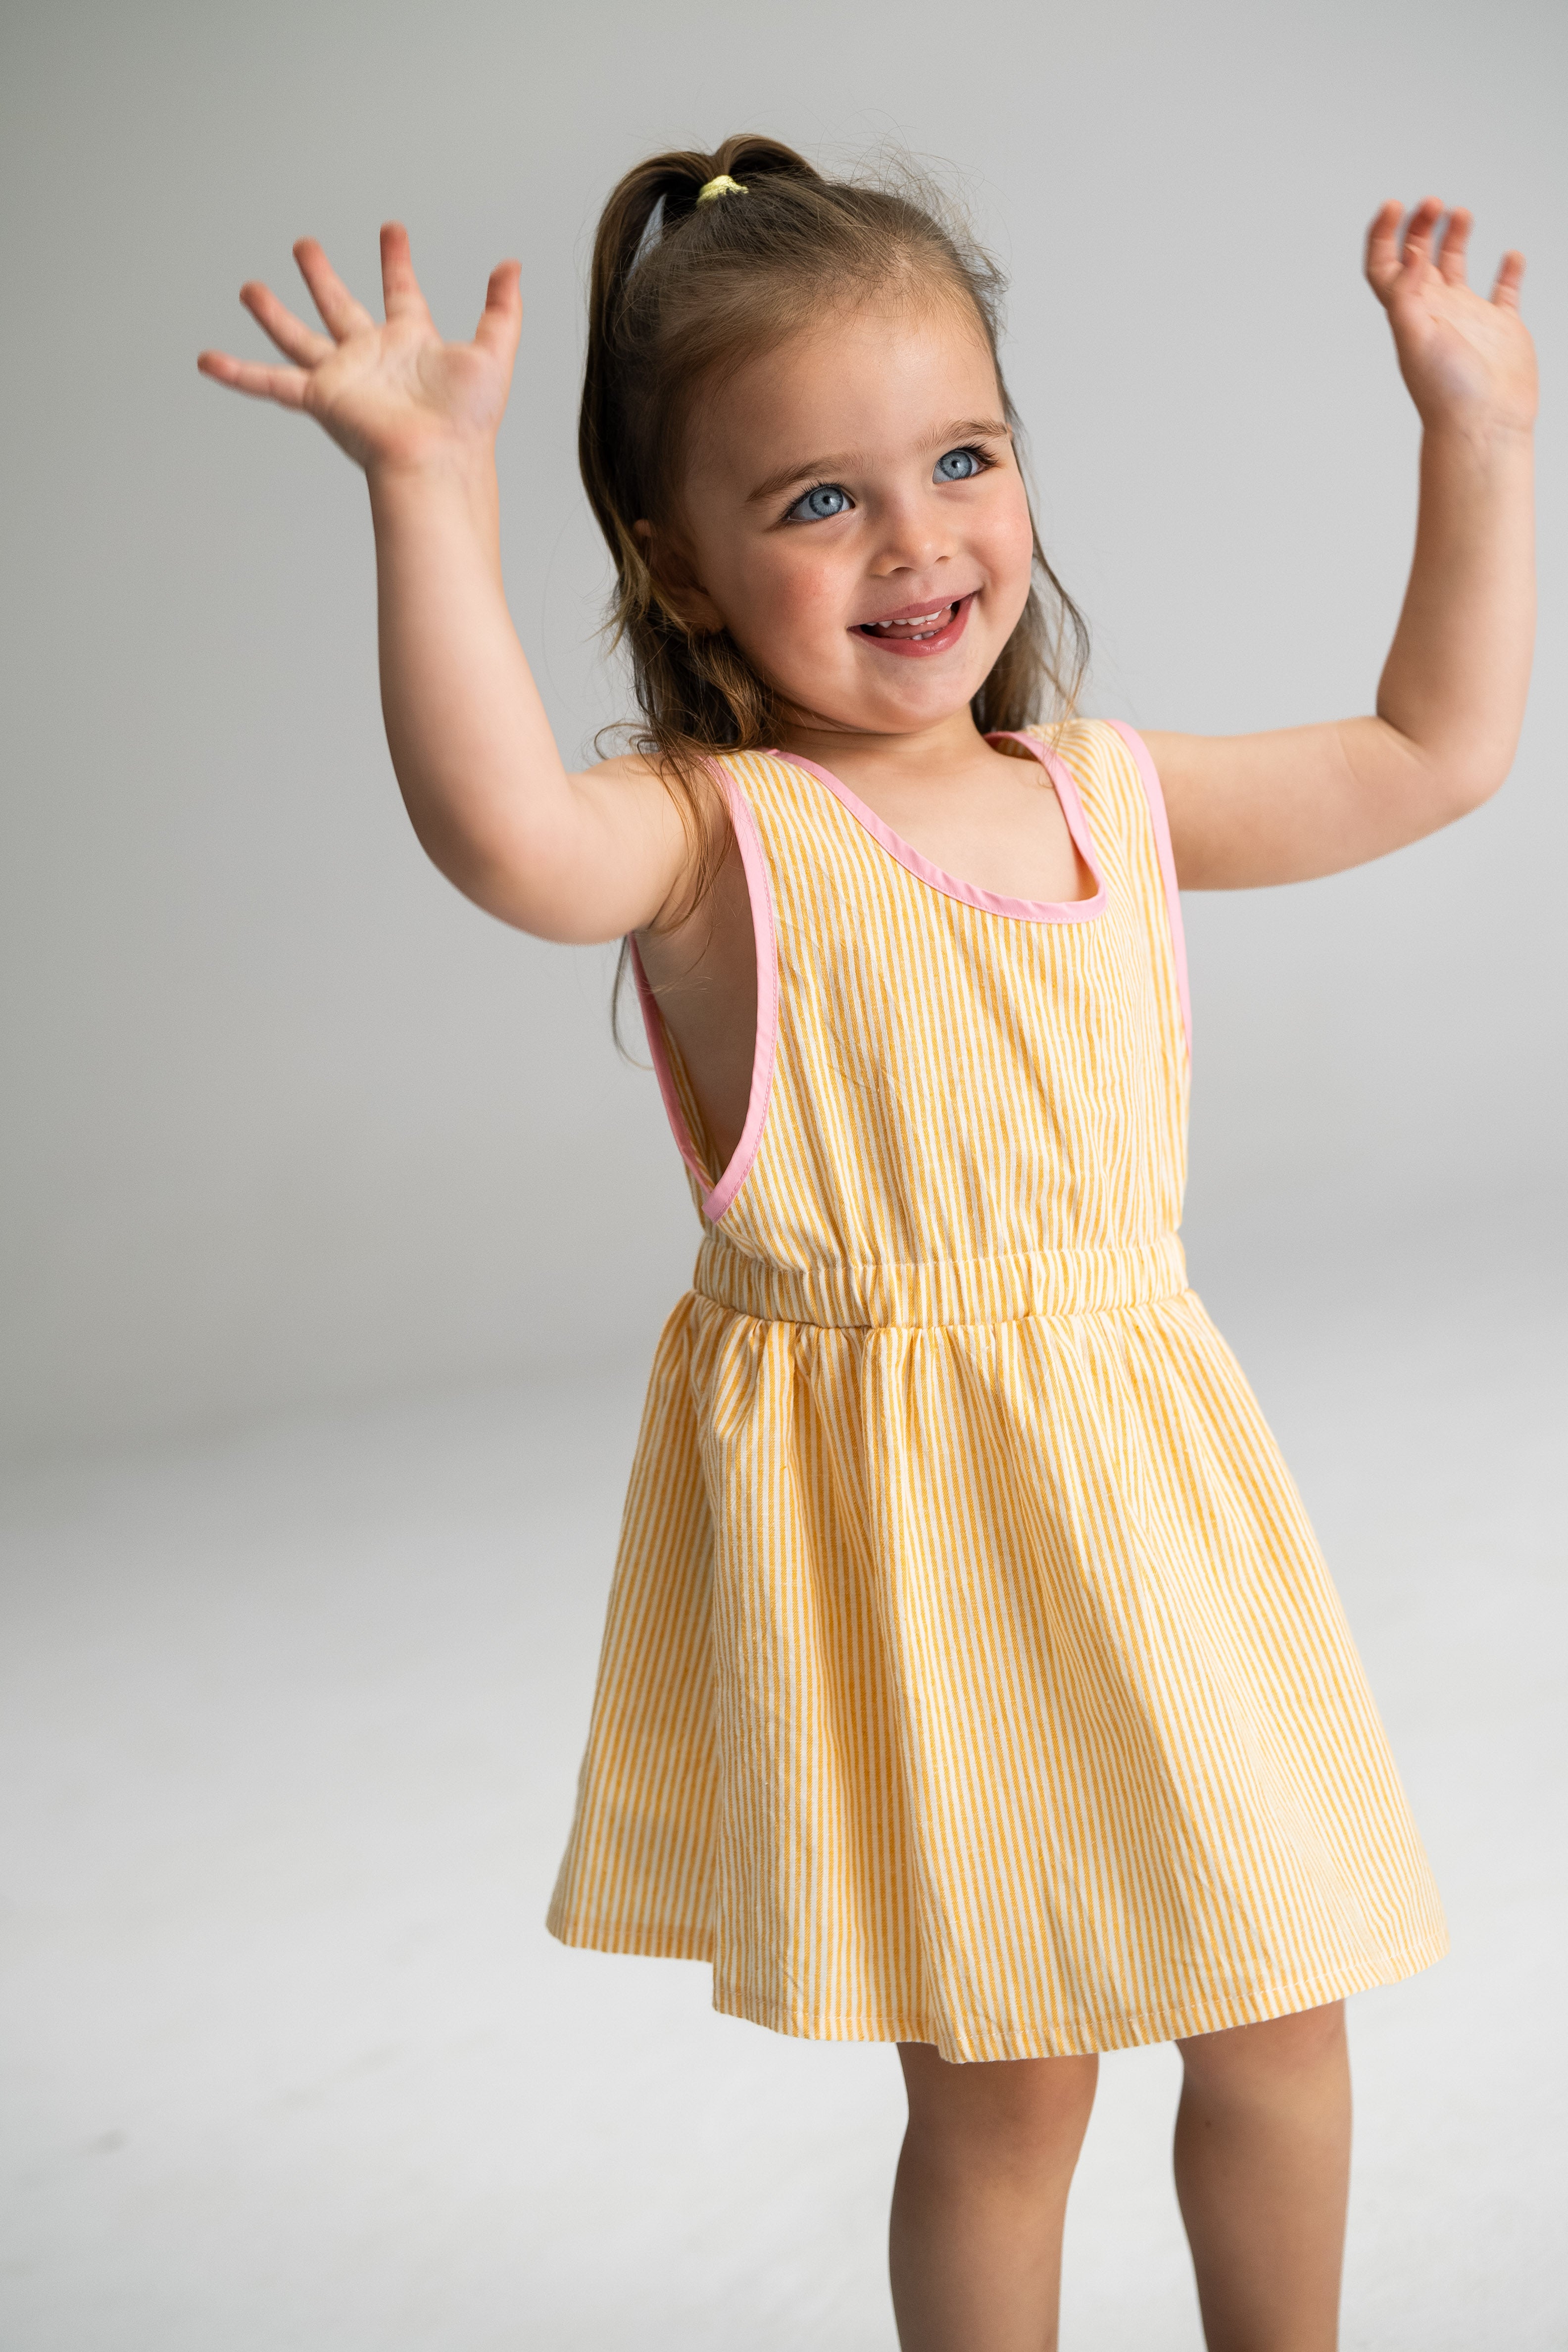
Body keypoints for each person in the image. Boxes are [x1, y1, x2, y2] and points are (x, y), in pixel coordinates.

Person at [198, 136, 1535, 2352]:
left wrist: (1476, 433)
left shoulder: (1105, 789)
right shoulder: (718, 845)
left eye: (961, 457)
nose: (918, 540)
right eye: (817, 500)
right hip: (914, 1546)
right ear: (687, 567)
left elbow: (1430, 749)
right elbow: (509, 841)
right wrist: (425, 492)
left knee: (1286, 2016)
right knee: (1013, 2092)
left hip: (1155, 1496)